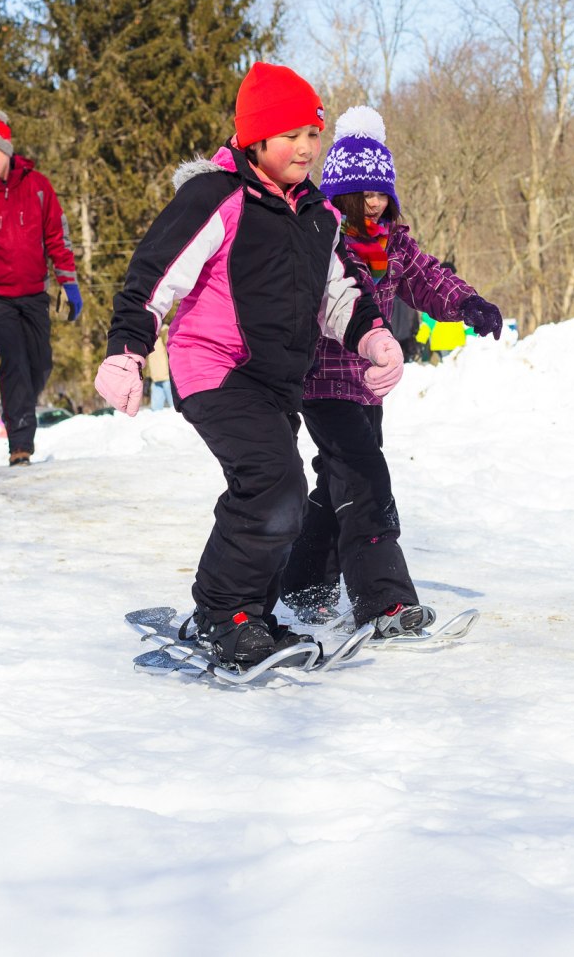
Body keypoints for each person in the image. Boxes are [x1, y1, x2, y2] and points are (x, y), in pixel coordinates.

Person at [94, 63, 401, 670]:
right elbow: (155, 277)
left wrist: (374, 338)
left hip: (273, 382)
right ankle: (219, 611)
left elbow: (339, 294)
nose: (307, 148)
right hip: (213, 366)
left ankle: (249, 617)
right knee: (274, 483)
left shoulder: (319, 215)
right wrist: (126, 351)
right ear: (256, 138)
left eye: (314, 134)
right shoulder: (217, 194)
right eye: (292, 135)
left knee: (274, 493)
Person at [280, 107, 503, 637]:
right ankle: (385, 602)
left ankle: (304, 583)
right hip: (323, 383)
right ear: (340, 195)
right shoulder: (322, 238)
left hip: (368, 388)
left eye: (382, 192)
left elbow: (428, 278)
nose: (375, 203)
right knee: (365, 479)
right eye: (363, 194)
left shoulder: (394, 245)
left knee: (337, 484)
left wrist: (468, 303)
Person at [0, 110, 81, 467]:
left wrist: (68, 282)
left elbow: (57, 237)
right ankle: (20, 443)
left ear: (7, 150)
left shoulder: (38, 187)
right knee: (15, 360)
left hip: (34, 290)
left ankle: (20, 411)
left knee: (40, 362)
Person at [145, 326, 174, 410]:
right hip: (156, 379)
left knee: (175, 409)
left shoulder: (164, 331)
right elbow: (149, 361)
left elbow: (168, 341)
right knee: (156, 411)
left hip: (167, 378)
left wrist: (162, 331)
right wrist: (148, 377)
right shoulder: (150, 338)